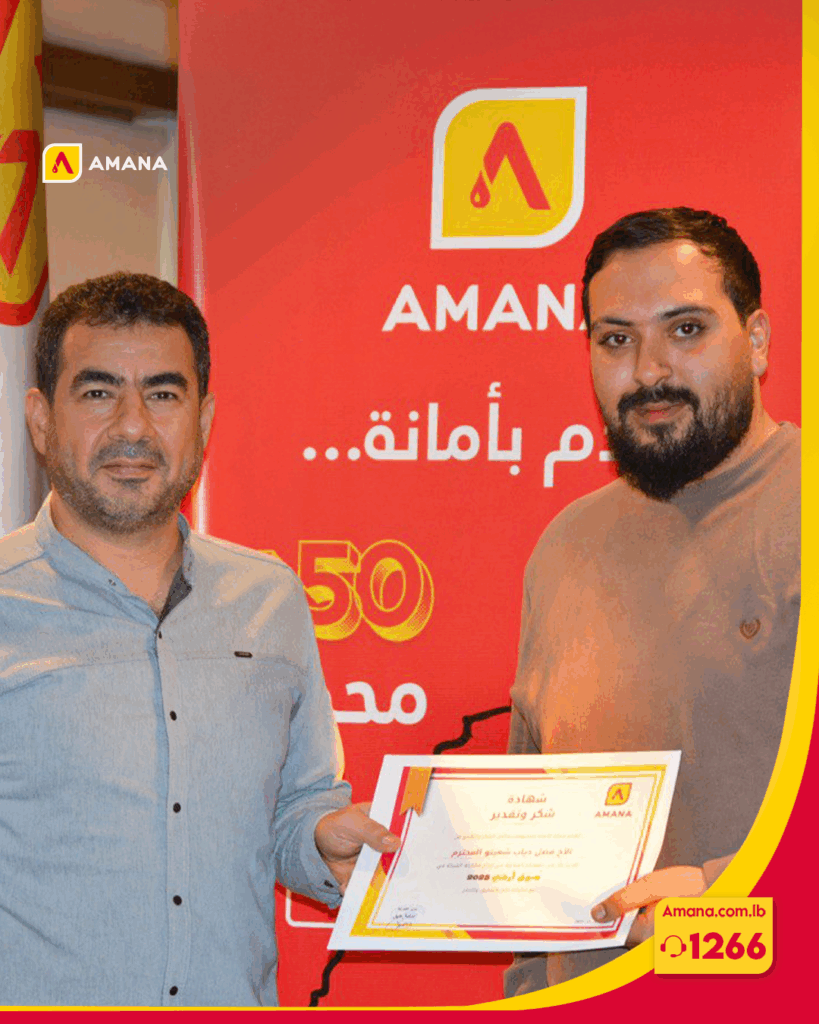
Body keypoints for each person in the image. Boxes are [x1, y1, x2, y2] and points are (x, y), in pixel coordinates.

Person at [0, 272, 398, 1007]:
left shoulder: (270, 598)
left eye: (163, 394)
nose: (132, 427)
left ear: (204, 420)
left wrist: (318, 839)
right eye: (97, 392)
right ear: (41, 420)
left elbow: (296, 807)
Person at [504, 208, 800, 994]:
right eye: (615, 340)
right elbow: (534, 830)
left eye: (686, 330)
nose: (648, 371)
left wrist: (718, 894)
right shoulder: (565, 546)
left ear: (757, 340)